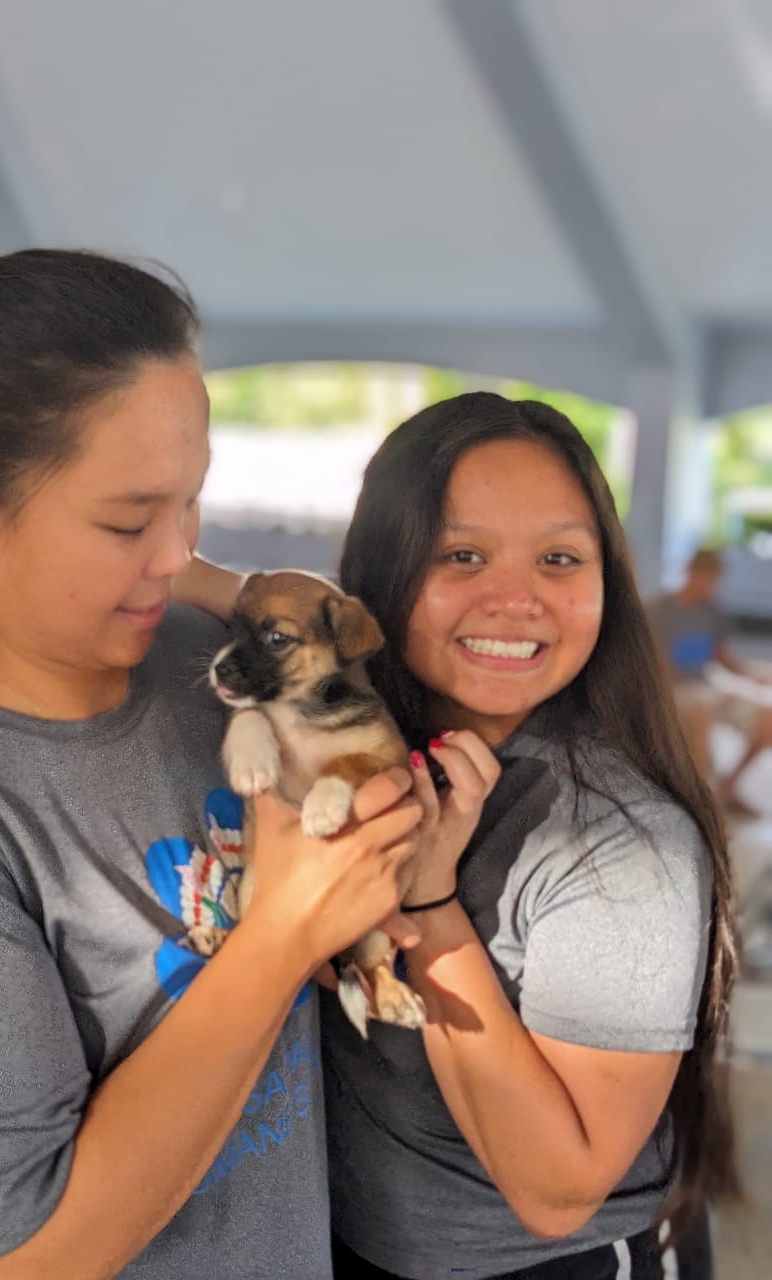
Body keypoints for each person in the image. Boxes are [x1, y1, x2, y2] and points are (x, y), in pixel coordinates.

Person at [0, 250, 427, 1280]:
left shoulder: (204, 672)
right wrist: (278, 937)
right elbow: (16, 1261)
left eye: (191, 503)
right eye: (128, 519)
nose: (174, 549)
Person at [179, 392, 740, 1279]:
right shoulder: (344, 725)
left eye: (560, 557)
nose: (516, 599)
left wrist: (433, 903)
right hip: (341, 1242)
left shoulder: (621, 842)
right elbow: (167, 575)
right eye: (463, 555)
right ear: (375, 578)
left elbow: (560, 1193)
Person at [647, 547, 772, 814]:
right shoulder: (658, 611)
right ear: (689, 572)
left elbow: (722, 657)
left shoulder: (713, 611)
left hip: (705, 686)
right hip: (671, 690)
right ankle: (702, 798)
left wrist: (754, 676)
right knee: (699, 713)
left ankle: (727, 789)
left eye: (715, 579)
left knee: (766, 719)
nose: (710, 585)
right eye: (706, 577)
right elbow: (657, 669)